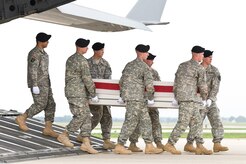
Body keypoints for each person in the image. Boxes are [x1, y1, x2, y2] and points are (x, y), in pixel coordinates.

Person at [114, 44, 163, 154]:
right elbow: (149, 85)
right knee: (130, 122)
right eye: (147, 53)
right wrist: (151, 97)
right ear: (142, 53)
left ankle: (149, 145)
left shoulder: (129, 65)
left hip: (132, 98)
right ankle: (120, 145)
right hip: (137, 98)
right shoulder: (144, 67)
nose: (148, 54)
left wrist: (123, 95)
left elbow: (121, 82)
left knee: (145, 121)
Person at [164, 45, 213, 155]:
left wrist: (177, 97)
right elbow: (202, 85)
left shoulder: (182, 65)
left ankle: (200, 145)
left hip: (184, 98)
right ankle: (170, 144)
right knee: (183, 122)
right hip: (190, 99)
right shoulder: (199, 68)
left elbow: (176, 82)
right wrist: (205, 98)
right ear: (196, 54)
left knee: (197, 122)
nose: (202, 56)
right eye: (202, 54)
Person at [57, 38, 99, 154]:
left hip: (74, 92)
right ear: (82, 47)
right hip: (77, 93)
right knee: (81, 115)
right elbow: (87, 78)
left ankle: (86, 143)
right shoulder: (82, 61)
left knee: (86, 116)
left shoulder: (70, 59)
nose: (87, 49)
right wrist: (93, 93)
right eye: (86, 47)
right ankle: (64, 134)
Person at [185, 50, 229, 153]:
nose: (211, 59)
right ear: (203, 57)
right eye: (209, 57)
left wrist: (210, 99)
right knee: (196, 123)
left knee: (216, 120)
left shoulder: (214, 70)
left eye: (211, 57)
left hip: (210, 101)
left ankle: (217, 144)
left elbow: (215, 87)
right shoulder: (196, 69)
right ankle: (189, 143)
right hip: (198, 100)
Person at [15, 32, 58, 138]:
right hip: (38, 84)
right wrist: (34, 85)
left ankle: (48, 128)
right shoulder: (34, 53)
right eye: (46, 40)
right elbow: (32, 70)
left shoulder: (44, 54)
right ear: (40, 41)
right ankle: (22, 118)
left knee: (51, 104)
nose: (48, 42)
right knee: (40, 104)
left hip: (46, 83)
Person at [79, 42, 115, 149]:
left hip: (104, 95)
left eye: (103, 50)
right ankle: (83, 134)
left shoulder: (106, 64)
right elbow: (84, 80)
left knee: (107, 116)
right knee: (97, 115)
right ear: (95, 51)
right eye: (101, 50)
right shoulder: (87, 63)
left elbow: (108, 80)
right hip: (91, 95)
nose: (103, 52)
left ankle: (106, 140)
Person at [127, 53, 165, 152]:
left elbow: (158, 85)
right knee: (139, 123)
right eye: (150, 59)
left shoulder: (154, 73)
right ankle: (133, 143)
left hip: (152, 102)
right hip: (141, 100)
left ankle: (158, 142)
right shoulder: (139, 69)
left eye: (152, 60)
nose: (152, 62)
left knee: (155, 121)